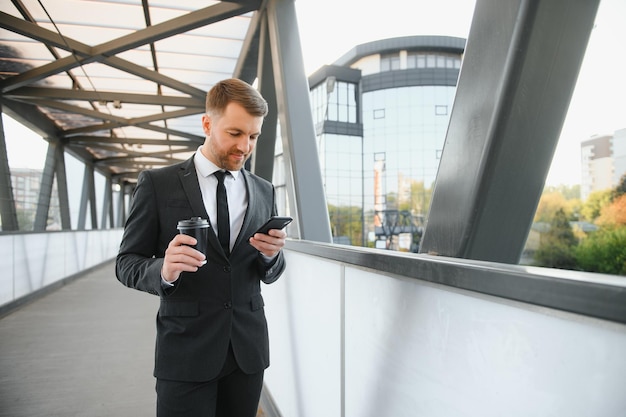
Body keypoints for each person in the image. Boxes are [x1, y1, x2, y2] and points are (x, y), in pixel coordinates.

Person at [115, 78, 287, 417]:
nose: (245, 147)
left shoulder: (264, 191)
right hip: (185, 354)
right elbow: (126, 263)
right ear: (207, 123)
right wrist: (163, 269)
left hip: (247, 353)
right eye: (235, 133)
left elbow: (269, 272)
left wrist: (271, 256)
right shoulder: (157, 184)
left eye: (253, 136)